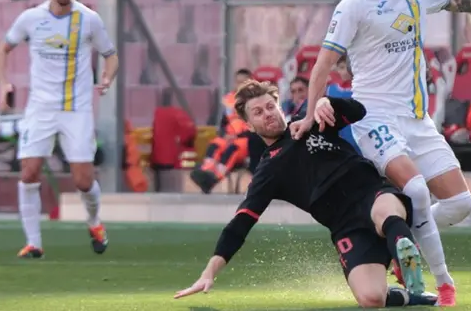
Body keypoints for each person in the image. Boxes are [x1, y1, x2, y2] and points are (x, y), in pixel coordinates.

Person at [290, 0, 471, 306]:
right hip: (373, 116)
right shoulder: (355, 4)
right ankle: (443, 283)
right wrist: (312, 112)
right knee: (416, 191)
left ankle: (394, 234)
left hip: (416, 119)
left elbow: (454, 1)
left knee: (461, 204)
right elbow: (324, 64)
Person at [174, 80, 437, 308]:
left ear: (279, 106)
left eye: (269, 107)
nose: (267, 114)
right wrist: (209, 273)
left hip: (373, 194)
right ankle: (405, 292)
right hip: (346, 227)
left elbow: (359, 111)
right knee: (371, 299)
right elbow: (240, 224)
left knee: (385, 214)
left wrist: (326, 102)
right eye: (257, 112)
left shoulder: (310, 121)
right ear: (250, 126)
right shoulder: (267, 171)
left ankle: (403, 251)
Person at [0, 0, 118, 258]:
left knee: (82, 180)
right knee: (29, 171)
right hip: (40, 109)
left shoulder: (89, 19)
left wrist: (107, 76)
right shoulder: (30, 19)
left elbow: (110, 54)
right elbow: (3, 48)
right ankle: (34, 242)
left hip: (76, 110)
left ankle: (95, 222)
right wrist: (3, 84)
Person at [191, 68, 257, 193]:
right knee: (215, 144)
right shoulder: (228, 100)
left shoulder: (258, 102)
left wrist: (238, 136)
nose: (240, 85)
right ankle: (206, 172)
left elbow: (258, 128)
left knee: (233, 149)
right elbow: (223, 123)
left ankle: (214, 178)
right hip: (229, 137)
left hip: (247, 140)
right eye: (238, 82)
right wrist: (224, 135)